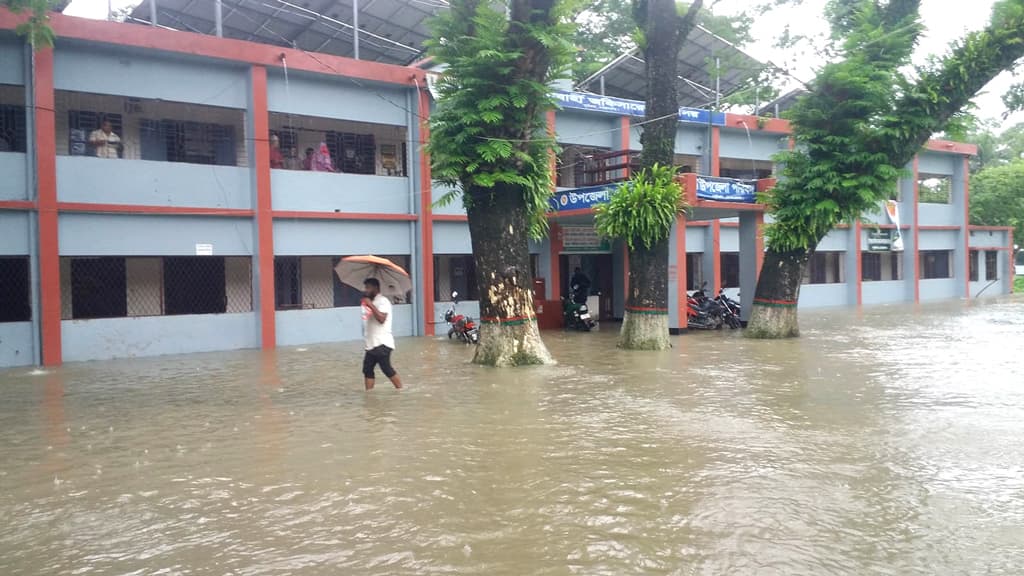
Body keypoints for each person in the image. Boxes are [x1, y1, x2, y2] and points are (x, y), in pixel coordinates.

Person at [361, 278, 402, 390]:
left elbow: (381, 319)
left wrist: (370, 305)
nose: (366, 290)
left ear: (376, 288)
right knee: (367, 369)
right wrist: (368, 305)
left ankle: (400, 389)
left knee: (386, 368)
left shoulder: (383, 301)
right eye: (366, 288)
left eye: (368, 287)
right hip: (371, 343)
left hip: (382, 343)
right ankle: (369, 394)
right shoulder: (372, 302)